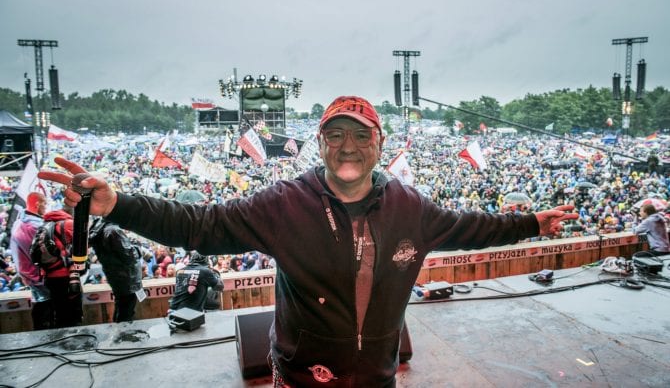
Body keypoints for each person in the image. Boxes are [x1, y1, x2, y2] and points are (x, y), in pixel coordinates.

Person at [38, 95, 577, 387]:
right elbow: (199, 225)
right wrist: (119, 205)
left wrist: (532, 222)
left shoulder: (410, 207)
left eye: (361, 134)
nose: (349, 146)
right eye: (335, 134)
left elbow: (470, 229)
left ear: (378, 143)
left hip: (377, 376)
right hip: (301, 377)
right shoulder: (283, 205)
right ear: (320, 144)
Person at [88, 217, 144, 322]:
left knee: (121, 308)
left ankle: (119, 332)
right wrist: (137, 247)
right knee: (126, 312)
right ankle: (123, 335)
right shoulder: (113, 231)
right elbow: (129, 256)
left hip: (117, 277)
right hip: (126, 279)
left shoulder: (100, 230)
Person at [8, 192, 49, 329]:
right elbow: (44, 256)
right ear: (38, 204)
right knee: (47, 312)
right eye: (45, 203)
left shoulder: (19, 223)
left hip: (30, 276)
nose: (46, 207)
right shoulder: (34, 227)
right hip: (40, 277)